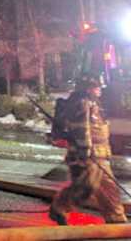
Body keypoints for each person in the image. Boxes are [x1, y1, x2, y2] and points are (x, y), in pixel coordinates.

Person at [49, 73, 127, 225]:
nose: (100, 89)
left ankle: (116, 219)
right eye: (97, 86)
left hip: (98, 154)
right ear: (89, 88)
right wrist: (85, 154)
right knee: (86, 187)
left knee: (107, 188)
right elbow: (82, 129)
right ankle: (59, 208)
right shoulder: (82, 102)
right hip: (88, 156)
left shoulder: (91, 102)